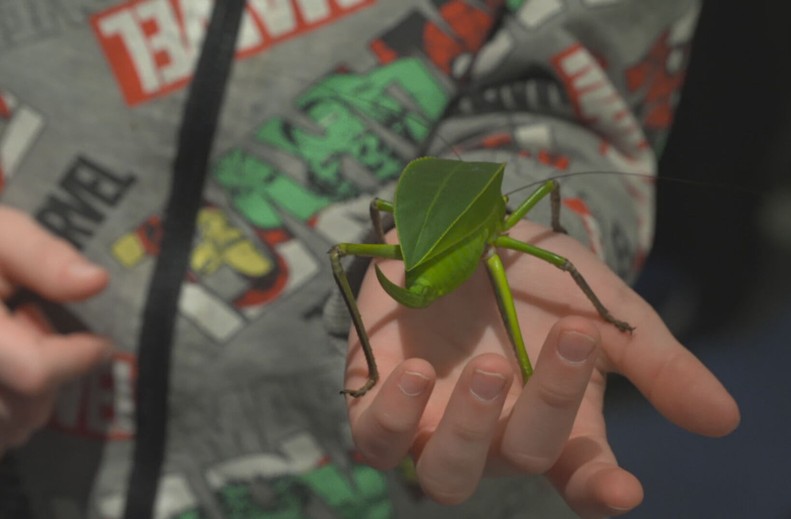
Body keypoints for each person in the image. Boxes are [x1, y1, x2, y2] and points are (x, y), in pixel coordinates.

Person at [0, 0, 739, 517]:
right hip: (38, 461)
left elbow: (576, 98)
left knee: (505, 317)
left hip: (395, 471)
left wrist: (566, 230)